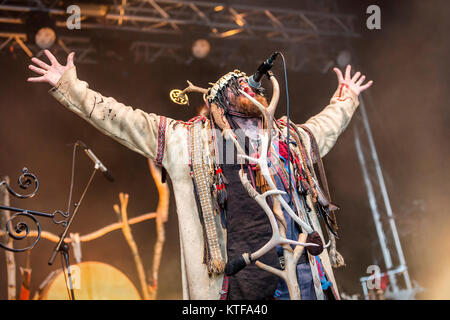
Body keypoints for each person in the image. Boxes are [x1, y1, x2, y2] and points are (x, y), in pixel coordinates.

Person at [28, 50, 372, 300]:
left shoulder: (286, 138)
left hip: (305, 272)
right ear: (220, 103)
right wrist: (70, 87)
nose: (250, 87)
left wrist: (346, 99)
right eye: (238, 86)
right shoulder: (192, 141)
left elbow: (324, 128)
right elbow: (123, 119)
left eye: (251, 86)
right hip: (244, 280)